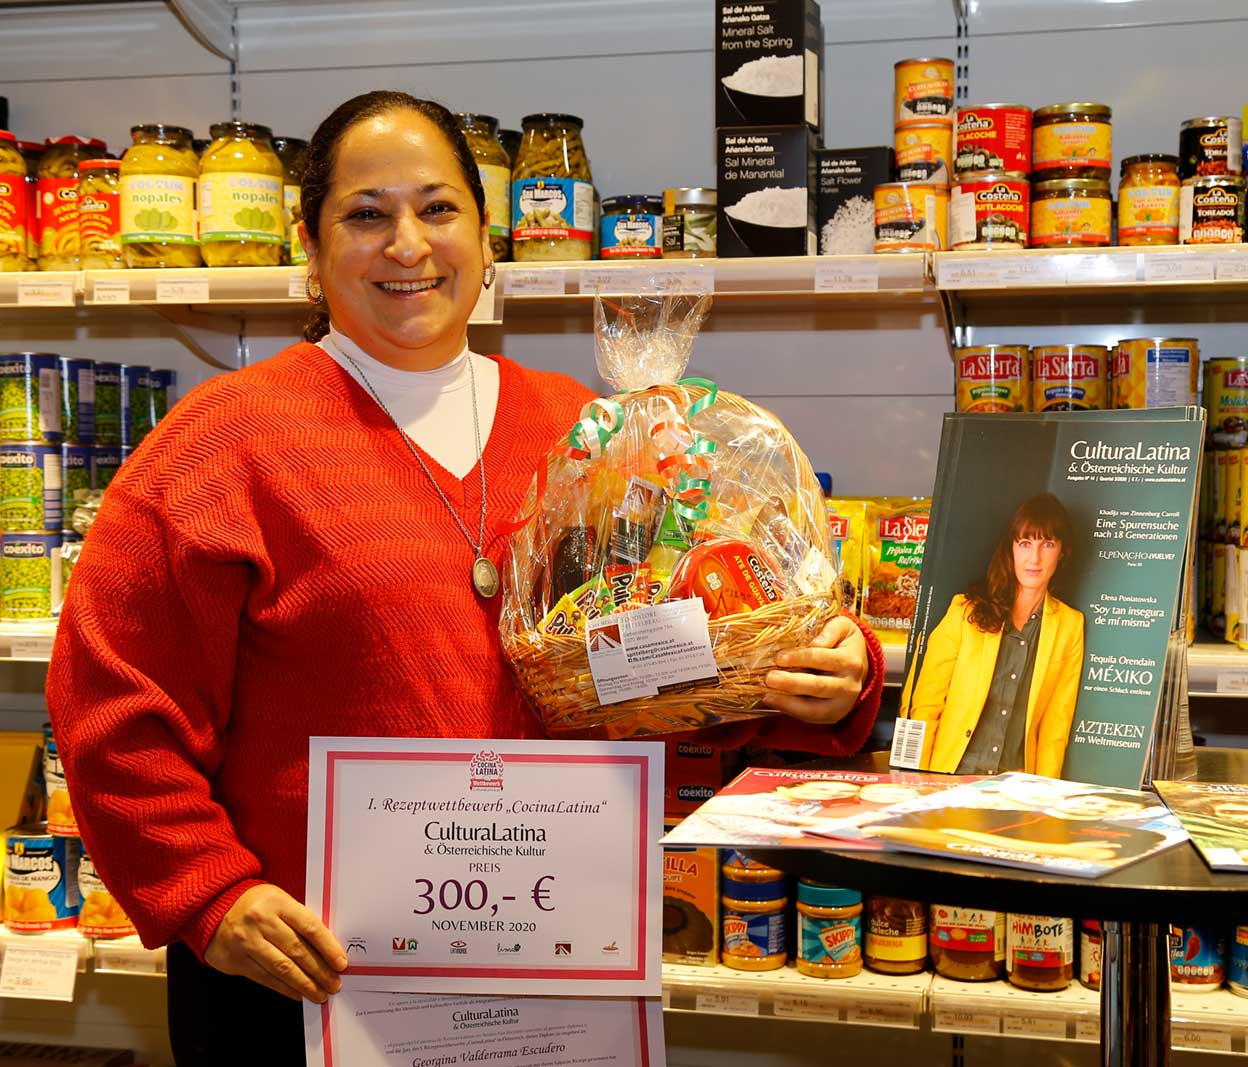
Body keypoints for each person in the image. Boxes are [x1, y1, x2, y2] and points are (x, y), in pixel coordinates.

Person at [45, 92, 885, 1064]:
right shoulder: (226, 441)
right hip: (305, 981)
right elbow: (112, 699)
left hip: (545, 963)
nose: (409, 242)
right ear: (310, 250)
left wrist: (823, 672)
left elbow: (653, 662)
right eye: (367, 213)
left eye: (440, 208)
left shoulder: (591, 436)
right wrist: (206, 889)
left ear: (488, 241)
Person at [900, 493, 1085, 777]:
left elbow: (1055, 727)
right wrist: (915, 781)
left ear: (1062, 551)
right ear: (1011, 548)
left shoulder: (1070, 626)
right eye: (1025, 543)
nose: (1034, 558)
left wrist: (1045, 799)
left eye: (1047, 544)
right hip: (951, 775)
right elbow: (925, 705)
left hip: (1017, 784)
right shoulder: (964, 611)